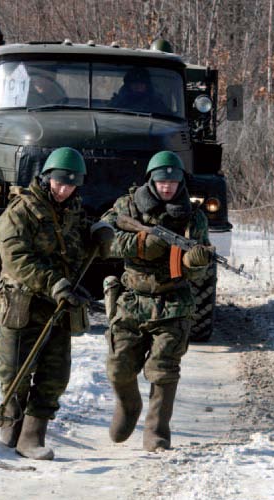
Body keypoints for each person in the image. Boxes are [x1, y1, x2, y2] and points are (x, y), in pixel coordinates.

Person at [0, 147, 113, 460]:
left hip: (60, 306)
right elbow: (15, 258)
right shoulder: (21, 211)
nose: (64, 190)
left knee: (55, 375)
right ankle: (10, 428)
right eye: (60, 183)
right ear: (47, 178)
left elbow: (80, 241)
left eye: (71, 185)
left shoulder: (73, 211)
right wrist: (53, 282)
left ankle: (32, 437)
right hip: (23, 303)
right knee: (15, 371)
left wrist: (99, 233)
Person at [101, 150, 213, 452]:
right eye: (162, 181)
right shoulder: (127, 207)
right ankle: (129, 406)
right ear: (151, 181)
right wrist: (141, 244)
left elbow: (198, 272)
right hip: (131, 301)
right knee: (118, 366)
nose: (167, 187)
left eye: (173, 182)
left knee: (164, 369)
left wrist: (194, 263)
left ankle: (157, 431)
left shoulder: (193, 217)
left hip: (173, 302)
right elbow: (102, 240)